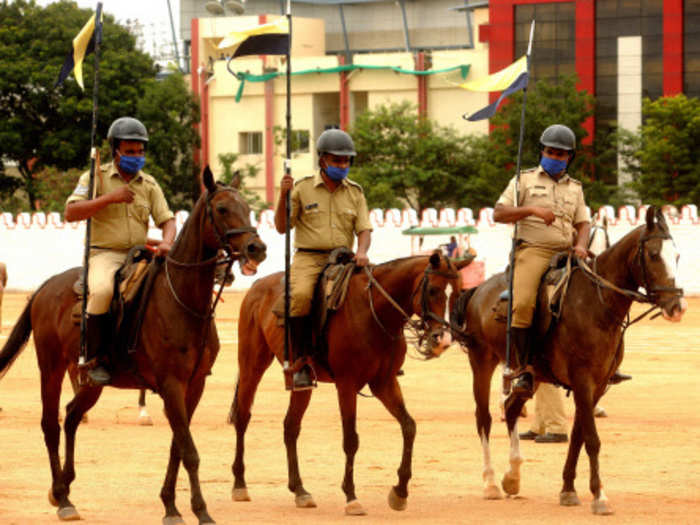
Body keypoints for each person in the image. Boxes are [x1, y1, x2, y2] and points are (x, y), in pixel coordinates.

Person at [64, 117, 175, 386]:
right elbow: (71, 212)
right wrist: (109, 198)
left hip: (141, 254)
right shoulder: (94, 177)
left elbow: (167, 220)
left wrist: (168, 242)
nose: (137, 157)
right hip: (105, 254)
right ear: (116, 151)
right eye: (130, 152)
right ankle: (96, 357)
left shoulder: (149, 184)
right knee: (102, 291)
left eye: (140, 152)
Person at [493, 124, 590, 399]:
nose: (555, 157)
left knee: (597, 296)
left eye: (561, 154)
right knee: (522, 303)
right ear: (541, 151)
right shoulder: (522, 181)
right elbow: (498, 213)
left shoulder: (576, 188)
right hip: (534, 250)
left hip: (568, 252)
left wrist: (582, 245)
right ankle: (522, 369)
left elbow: (583, 223)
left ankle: (602, 362)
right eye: (550, 152)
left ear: (569, 157)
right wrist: (532, 209)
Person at [274, 128, 372, 390]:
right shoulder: (302, 188)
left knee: (373, 292)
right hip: (310, 258)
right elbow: (282, 227)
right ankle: (302, 363)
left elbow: (364, 229)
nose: (342, 165)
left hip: (345, 258)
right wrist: (283, 195)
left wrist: (362, 252)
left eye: (346, 161)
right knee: (301, 296)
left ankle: (378, 356)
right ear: (322, 161)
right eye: (337, 160)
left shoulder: (355, 192)